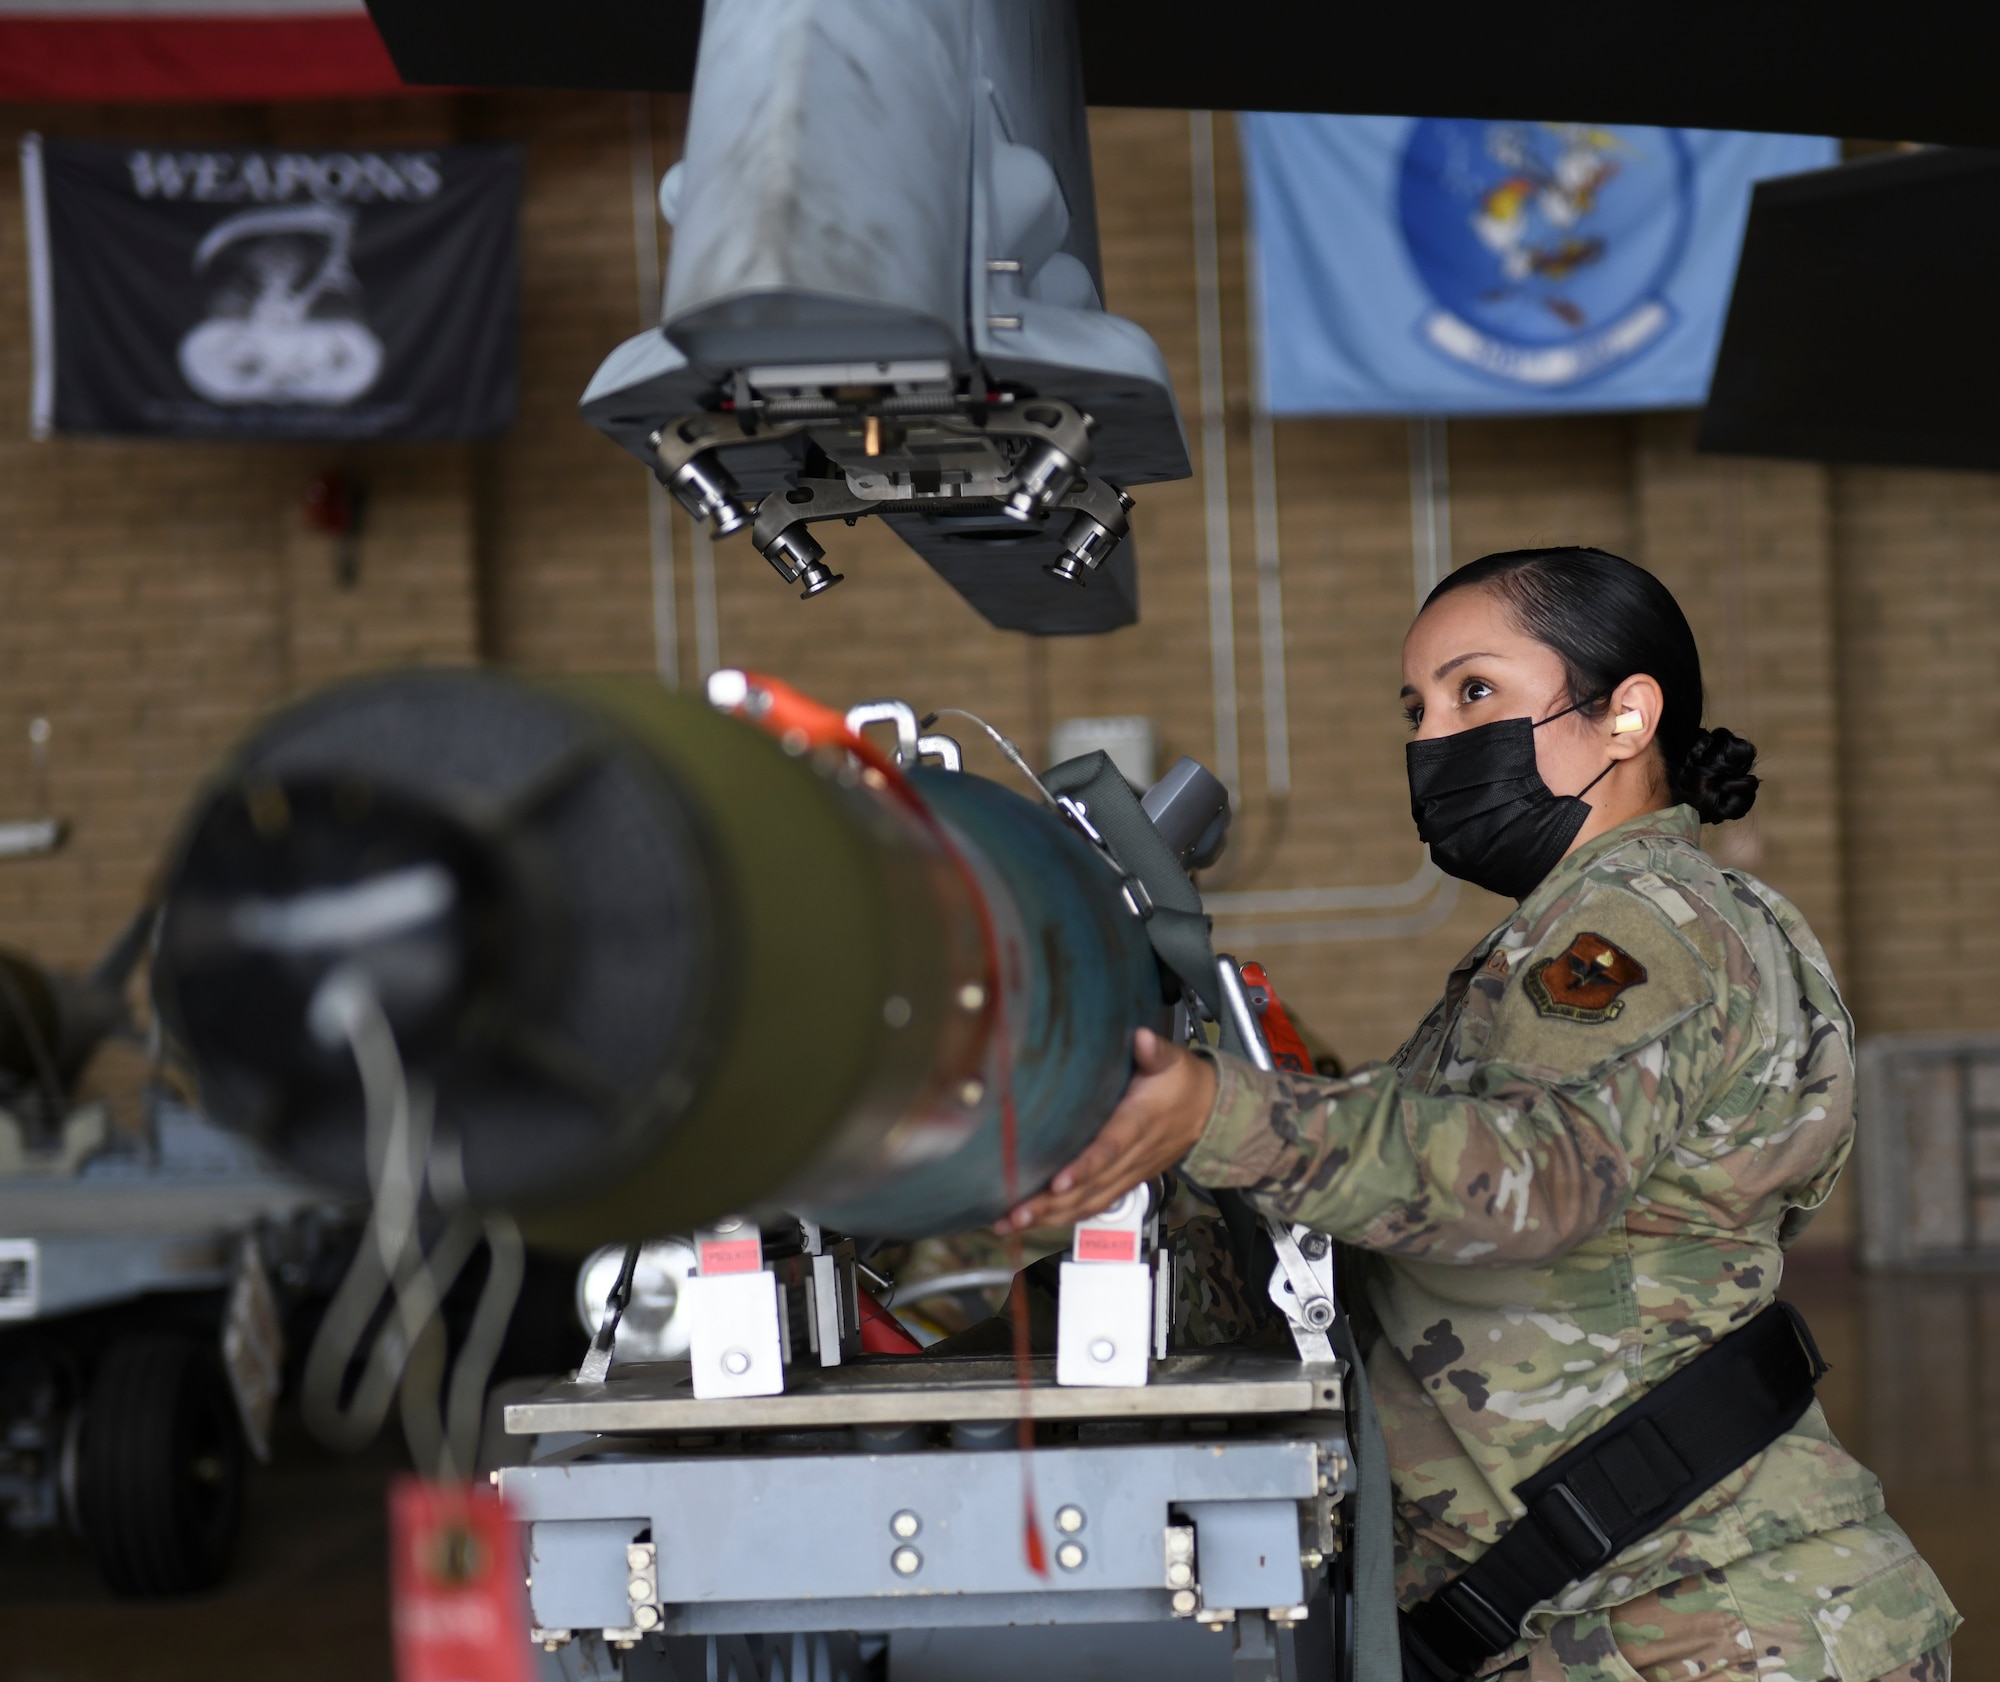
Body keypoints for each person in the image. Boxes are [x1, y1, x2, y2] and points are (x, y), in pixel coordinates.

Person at [1002, 548, 1959, 1682]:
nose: (1433, 739)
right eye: (1415, 706)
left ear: (1623, 714)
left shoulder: (1638, 920)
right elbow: (1383, 1242)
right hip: (1605, 1618)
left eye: (1474, 692)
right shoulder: (1564, 934)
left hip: (1702, 1623)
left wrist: (1221, 1112)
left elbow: (1527, 1180)